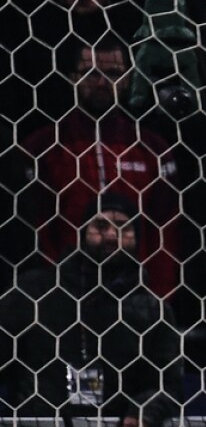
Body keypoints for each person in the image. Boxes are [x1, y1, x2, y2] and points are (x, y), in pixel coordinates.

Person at [15, 35, 181, 297]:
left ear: (128, 79)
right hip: (62, 293)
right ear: (73, 78)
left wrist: (159, 300)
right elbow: (35, 228)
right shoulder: (42, 147)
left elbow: (165, 231)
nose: (102, 82)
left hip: (135, 296)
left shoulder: (153, 149)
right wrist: (52, 293)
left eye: (113, 73)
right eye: (91, 73)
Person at [0, 193, 183, 427]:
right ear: (82, 233)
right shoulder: (34, 292)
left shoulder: (152, 311)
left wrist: (143, 413)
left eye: (123, 227)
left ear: (137, 238)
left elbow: (168, 385)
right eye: (101, 226)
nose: (111, 235)